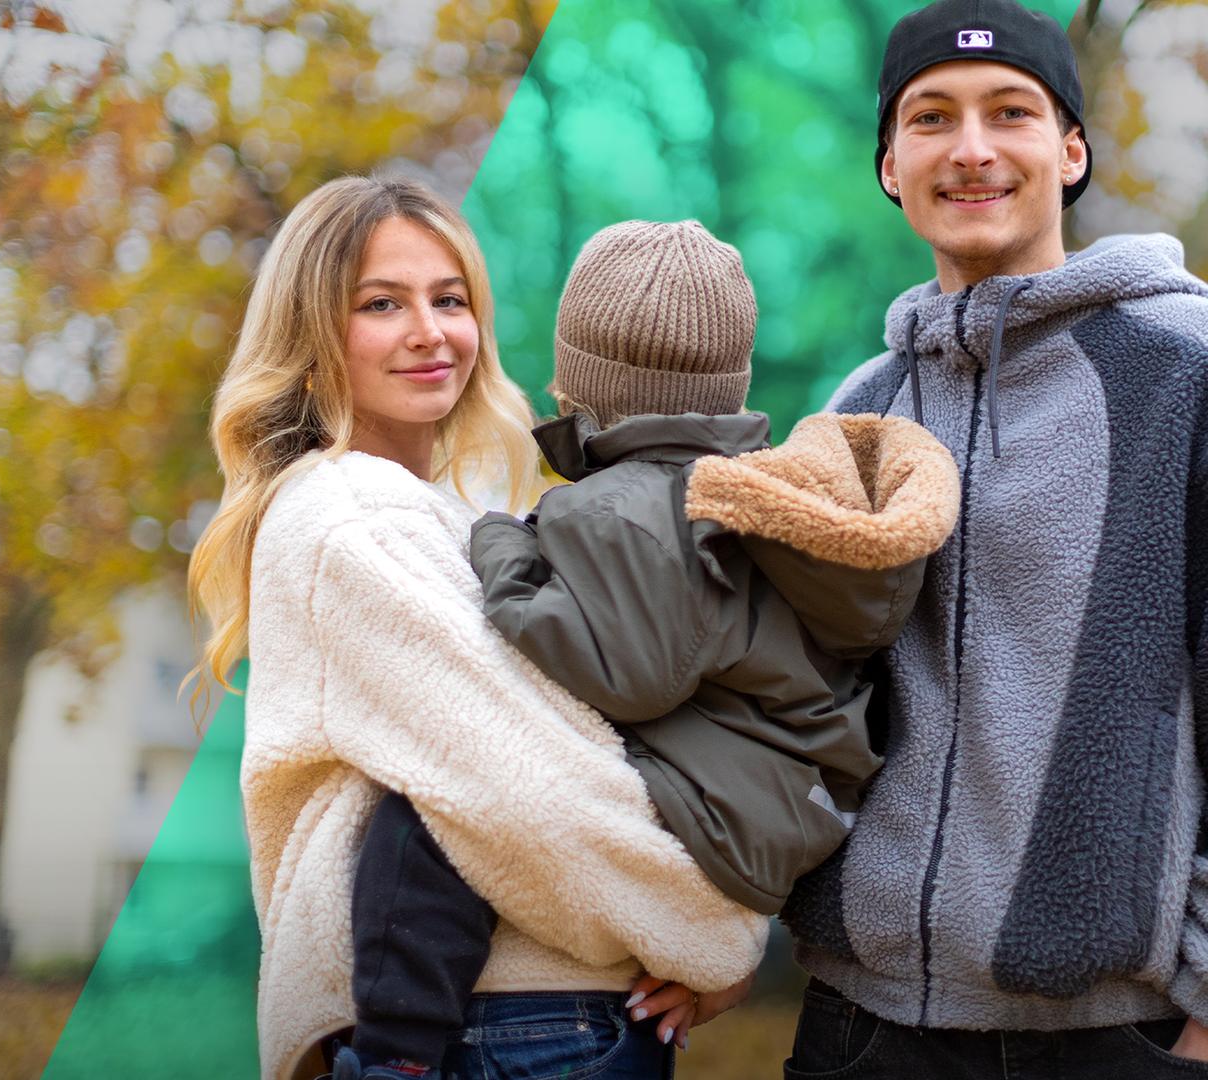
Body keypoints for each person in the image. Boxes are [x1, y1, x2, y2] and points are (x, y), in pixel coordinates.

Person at [338, 219, 964, 1080]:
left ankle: (392, 1059)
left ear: (582, 385)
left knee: (432, 819)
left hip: (705, 810)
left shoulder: (621, 506)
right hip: (774, 816)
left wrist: (502, 550)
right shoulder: (759, 494)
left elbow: (626, 674)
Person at [187, 175, 767, 1080]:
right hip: (500, 1030)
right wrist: (719, 936)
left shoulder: (438, 516)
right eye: (382, 304)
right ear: (313, 335)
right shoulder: (354, 515)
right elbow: (534, 789)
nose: (429, 331)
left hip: (521, 1024)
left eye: (449, 300)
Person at [778, 0, 1208, 1075]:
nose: (970, 149)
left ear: (1069, 151)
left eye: (1009, 112)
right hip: (858, 1025)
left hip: (1123, 1031)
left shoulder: (1185, 369)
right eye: (931, 119)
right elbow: (787, 699)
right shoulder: (855, 412)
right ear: (890, 164)